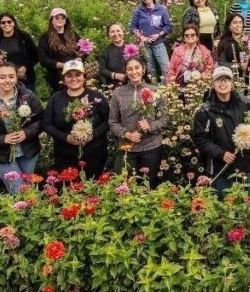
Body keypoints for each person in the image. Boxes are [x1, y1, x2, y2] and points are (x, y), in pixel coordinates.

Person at [0, 62, 44, 195]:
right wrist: (2, 138)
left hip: (27, 152)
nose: (7, 80)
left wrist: (26, 133)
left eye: (11, 76)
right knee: (18, 191)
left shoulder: (27, 96)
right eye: (3, 77)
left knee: (29, 189)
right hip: (1, 155)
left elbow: (42, 120)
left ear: (16, 78)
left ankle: (31, 215)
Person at [192, 66, 250, 196]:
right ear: (213, 84)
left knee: (247, 206)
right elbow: (199, 139)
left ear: (232, 83)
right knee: (224, 209)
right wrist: (221, 153)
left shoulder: (246, 104)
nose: (222, 83)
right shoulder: (205, 111)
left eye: (226, 80)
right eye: (218, 80)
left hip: (246, 165)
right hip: (221, 168)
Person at [42, 60, 110, 180]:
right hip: (65, 156)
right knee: (69, 192)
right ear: (64, 79)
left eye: (78, 75)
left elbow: (108, 121)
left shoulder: (96, 97)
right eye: (69, 75)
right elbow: (47, 124)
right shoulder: (56, 98)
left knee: (93, 189)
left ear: (84, 77)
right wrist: (66, 137)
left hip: (94, 154)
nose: (74, 79)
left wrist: (93, 135)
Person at [109, 57, 169, 187]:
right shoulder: (118, 93)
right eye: (129, 69)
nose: (133, 72)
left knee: (149, 187)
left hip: (151, 147)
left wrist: (151, 126)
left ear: (143, 70)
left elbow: (165, 119)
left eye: (137, 67)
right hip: (127, 148)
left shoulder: (155, 91)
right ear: (125, 72)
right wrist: (126, 134)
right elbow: (113, 122)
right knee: (122, 186)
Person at [129, 0, 172, 83]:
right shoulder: (139, 11)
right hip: (145, 45)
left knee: (166, 68)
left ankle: (167, 89)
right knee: (150, 69)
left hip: (159, 43)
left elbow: (168, 26)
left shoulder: (161, 9)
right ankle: (154, 89)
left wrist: (159, 35)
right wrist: (141, 36)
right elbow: (132, 27)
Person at [0, 12, 39, 92]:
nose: (6, 24)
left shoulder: (24, 37)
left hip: (26, 79)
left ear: (14, 23)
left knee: (26, 103)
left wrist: (25, 67)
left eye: (9, 21)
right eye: (3, 22)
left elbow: (35, 55)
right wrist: (2, 69)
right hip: (6, 81)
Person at [37, 8, 81, 93]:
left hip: (75, 75)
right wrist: (61, 65)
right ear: (51, 20)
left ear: (66, 20)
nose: (60, 19)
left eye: (63, 17)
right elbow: (43, 59)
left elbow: (84, 49)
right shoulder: (45, 37)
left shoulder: (73, 34)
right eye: (57, 17)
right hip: (56, 78)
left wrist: (80, 58)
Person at [215, 14, 250, 80]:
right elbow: (221, 63)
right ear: (229, 26)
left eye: (240, 22)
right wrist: (238, 66)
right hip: (232, 77)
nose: (238, 25)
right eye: (235, 23)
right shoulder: (224, 42)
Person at [97, 23, 129, 88]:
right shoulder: (105, 51)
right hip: (113, 86)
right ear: (108, 34)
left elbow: (142, 63)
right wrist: (115, 75)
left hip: (133, 82)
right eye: (112, 32)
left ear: (123, 32)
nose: (116, 34)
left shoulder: (132, 46)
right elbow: (101, 69)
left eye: (118, 31)